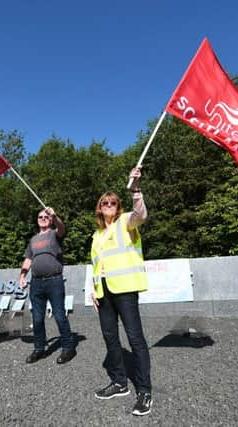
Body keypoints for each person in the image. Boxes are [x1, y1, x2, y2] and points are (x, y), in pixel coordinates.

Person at [90, 167, 153, 416]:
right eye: (104, 202)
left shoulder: (126, 221)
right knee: (110, 337)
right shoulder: (96, 234)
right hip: (103, 292)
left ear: (117, 207)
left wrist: (136, 189)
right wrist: (92, 290)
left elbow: (141, 214)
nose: (108, 205)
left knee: (135, 338)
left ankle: (145, 391)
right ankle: (119, 383)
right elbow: (96, 265)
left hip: (125, 290)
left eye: (113, 202)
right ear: (99, 207)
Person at [19, 207, 76, 364]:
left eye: (46, 216)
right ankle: (39, 348)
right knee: (37, 318)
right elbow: (28, 259)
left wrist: (55, 215)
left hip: (54, 281)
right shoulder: (33, 240)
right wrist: (22, 275)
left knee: (59, 315)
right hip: (36, 283)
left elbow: (62, 228)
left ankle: (68, 347)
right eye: (40, 216)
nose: (43, 218)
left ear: (50, 219)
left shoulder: (54, 234)